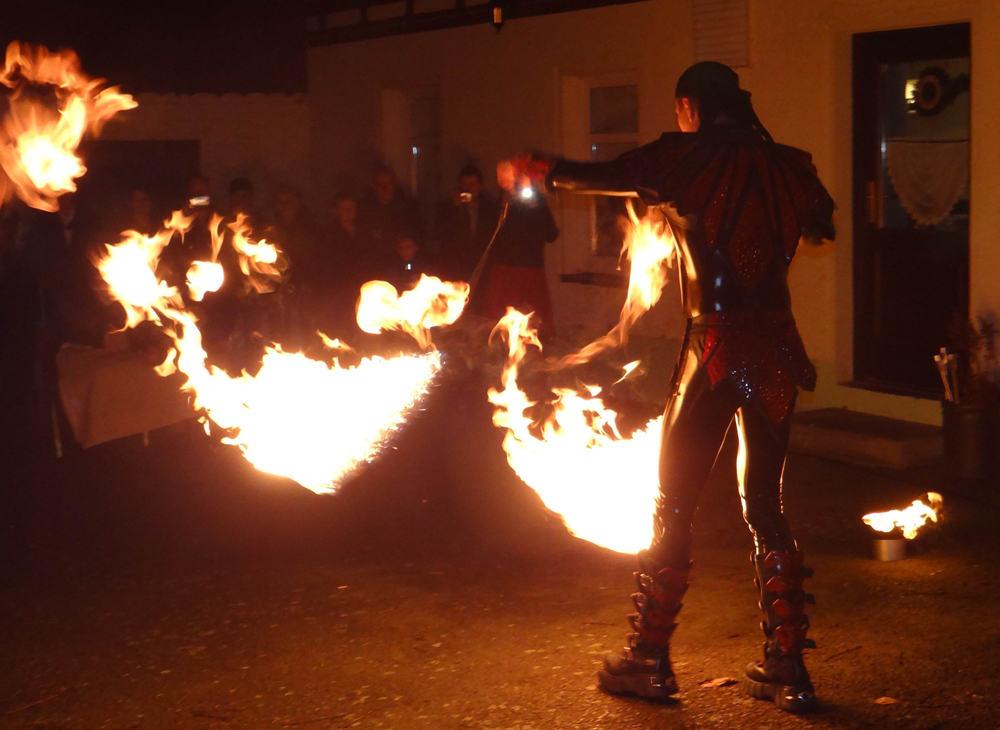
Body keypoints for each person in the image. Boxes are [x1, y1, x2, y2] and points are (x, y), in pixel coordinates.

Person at [517, 62, 835, 713]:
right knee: (766, 507)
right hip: (775, 351)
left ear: (689, 106)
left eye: (681, 110)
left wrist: (541, 169)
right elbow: (824, 221)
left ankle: (649, 662)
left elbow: (612, 176)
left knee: (673, 504)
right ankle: (789, 668)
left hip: (714, 351)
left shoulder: (683, 158)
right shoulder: (791, 166)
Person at [480, 161, 559, 338]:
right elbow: (487, 233)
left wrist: (535, 207)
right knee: (498, 323)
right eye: (500, 178)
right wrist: (500, 208)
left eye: (507, 177)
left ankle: (535, 353)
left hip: (529, 270)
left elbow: (551, 234)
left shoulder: (535, 201)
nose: (504, 183)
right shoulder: (498, 202)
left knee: (534, 322)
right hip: (504, 269)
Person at [434, 164, 501, 281]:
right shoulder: (449, 207)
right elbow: (440, 232)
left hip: (481, 266)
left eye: (472, 184)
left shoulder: (489, 208)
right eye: (465, 184)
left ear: (480, 186)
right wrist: (454, 208)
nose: (468, 188)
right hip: (456, 266)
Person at [357, 165, 422, 264]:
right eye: (380, 185)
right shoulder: (365, 209)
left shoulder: (407, 206)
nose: (385, 189)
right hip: (375, 262)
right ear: (374, 186)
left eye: (389, 184)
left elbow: (416, 231)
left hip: (403, 262)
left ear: (394, 184)